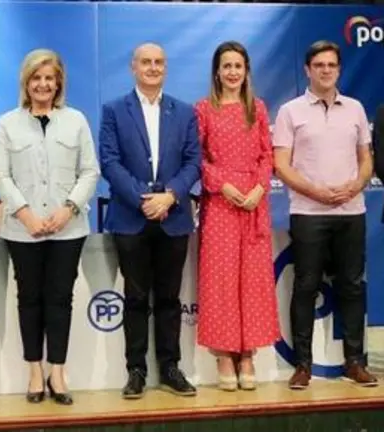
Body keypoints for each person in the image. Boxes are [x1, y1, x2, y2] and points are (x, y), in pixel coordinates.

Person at [0, 49, 99, 405]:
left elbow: (90, 171)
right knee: (29, 299)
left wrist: (68, 209)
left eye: (49, 78)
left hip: (68, 229)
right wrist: (25, 214)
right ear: (26, 83)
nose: (43, 84)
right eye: (36, 78)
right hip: (22, 230)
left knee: (60, 299)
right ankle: (34, 371)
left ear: (58, 83)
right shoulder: (8, 123)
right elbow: (1, 175)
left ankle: (57, 372)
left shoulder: (76, 120)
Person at [273, 40, 378, 390]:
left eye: (331, 65)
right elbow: (281, 164)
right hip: (308, 212)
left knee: (352, 285)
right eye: (319, 65)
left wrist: (357, 184)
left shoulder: (356, 109)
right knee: (305, 286)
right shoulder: (290, 111)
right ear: (307, 70)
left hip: (351, 210)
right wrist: (314, 191)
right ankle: (302, 365)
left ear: (339, 69)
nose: (326, 70)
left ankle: (355, 362)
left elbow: (366, 159)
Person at [99, 43, 201, 399]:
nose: (153, 67)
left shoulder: (185, 112)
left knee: (170, 299)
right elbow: (109, 162)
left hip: (173, 217)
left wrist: (170, 196)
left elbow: (193, 161)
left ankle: (170, 367)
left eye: (159, 62)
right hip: (132, 217)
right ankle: (136, 370)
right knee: (136, 298)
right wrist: (144, 198)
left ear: (166, 68)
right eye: (146, 62)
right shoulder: (114, 110)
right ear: (133, 67)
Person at [194, 41, 279, 392]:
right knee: (221, 280)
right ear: (217, 71)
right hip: (221, 204)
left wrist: (260, 187)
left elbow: (267, 155)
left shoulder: (257, 108)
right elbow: (197, 158)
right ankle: (224, 355)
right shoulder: (203, 109)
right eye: (226, 66)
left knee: (253, 281)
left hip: (254, 204)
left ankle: (247, 354)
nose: (232, 72)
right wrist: (221, 185)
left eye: (238, 66)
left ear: (246, 71)